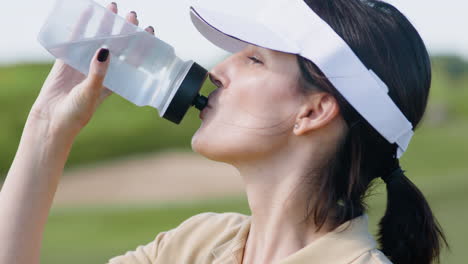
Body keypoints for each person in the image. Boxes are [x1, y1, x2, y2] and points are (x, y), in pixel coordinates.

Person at [0, 0, 448, 263]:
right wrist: (47, 128)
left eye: (254, 59)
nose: (216, 71)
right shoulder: (196, 245)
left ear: (313, 110)